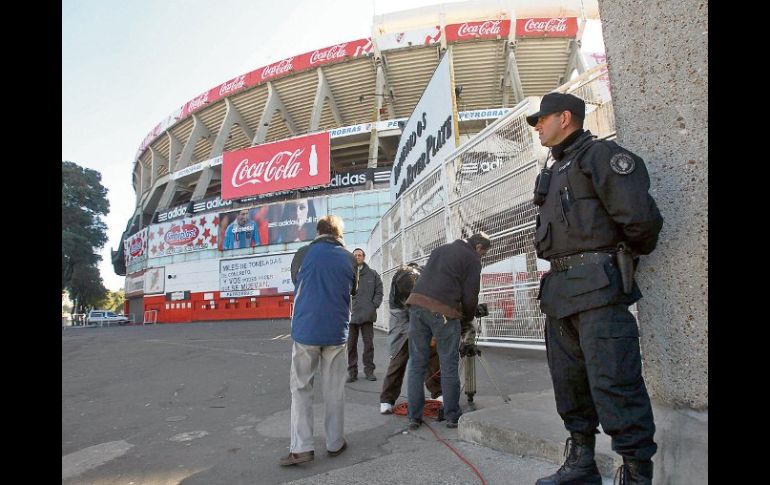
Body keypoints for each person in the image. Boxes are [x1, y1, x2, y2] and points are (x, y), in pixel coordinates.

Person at [527, 92, 663, 485]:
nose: (537, 127)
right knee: (569, 384)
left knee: (615, 382)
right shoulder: (553, 170)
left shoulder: (600, 157)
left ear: (565, 117)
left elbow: (641, 220)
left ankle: (636, 472)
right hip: (560, 292)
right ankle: (581, 462)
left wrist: (616, 259)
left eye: (542, 119)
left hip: (598, 288)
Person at [279, 215, 359, 466]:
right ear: (339, 235)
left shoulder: (303, 254)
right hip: (337, 332)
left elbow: (296, 280)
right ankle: (335, 443)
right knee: (334, 389)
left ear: (318, 232)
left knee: (301, 388)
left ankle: (301, 448)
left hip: (306, 330)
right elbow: (353, 289)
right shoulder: (348, 257)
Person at [405, 232, 491, 429]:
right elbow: (471, 296)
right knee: (448, 363)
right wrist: (467, 319)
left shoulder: (440, 249)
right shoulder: (472, 258)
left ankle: (414, 417)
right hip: (443, 311)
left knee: (417, 363)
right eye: (483, 254)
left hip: (416, 306)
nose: (481, 258)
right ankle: (452, 415)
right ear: (478, 247)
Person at [379, 263, 442, 414]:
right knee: (398, 356)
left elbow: (435, 308)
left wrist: (432, 334)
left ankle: (438, 392)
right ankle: (386, 399)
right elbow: (401, 319)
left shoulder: (428, 280)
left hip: (424, 310)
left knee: (431, 353)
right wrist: (418, 333)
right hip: (401, 318)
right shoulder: (396, 293)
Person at [346, 248, 383, 382]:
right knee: (351, 346)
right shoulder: (347, 274)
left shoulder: (373, 274)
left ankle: (369, 371)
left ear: (364, 257)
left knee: (368, 345)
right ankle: (352, 372)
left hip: (367, 315)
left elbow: (379, 291)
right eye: (355, 255)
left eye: (360, 255)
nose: (357, 257)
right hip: (351, 316)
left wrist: (374, 305)